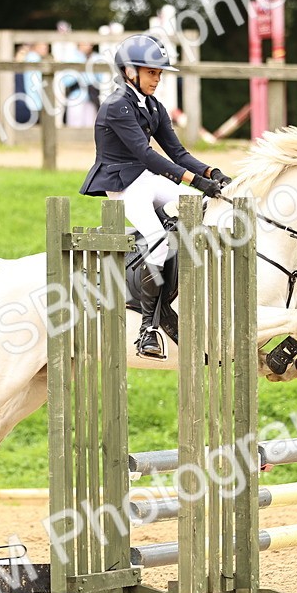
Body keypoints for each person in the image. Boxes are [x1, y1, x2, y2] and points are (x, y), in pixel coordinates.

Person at [80, 34, 232, 360]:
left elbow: (177, 152)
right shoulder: (116, 106)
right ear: (130, 71)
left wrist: (211, 174)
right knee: (159, 240)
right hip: (122, 183)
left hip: (146, 179)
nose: (157, 80)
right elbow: (147, 155)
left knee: (202, 209)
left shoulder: (153, 106)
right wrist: (192, 180)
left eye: (160, 74)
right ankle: (148, 327)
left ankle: (178, 293)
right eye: (152, 73)